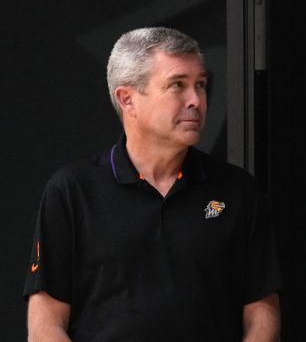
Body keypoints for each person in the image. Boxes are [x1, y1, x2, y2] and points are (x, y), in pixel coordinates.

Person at [24, 27, 280, 341]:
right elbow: (45, 325)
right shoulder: (72, 191)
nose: (196, 100)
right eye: (177, 85)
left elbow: (262, 313)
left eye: (200, 84)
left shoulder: (238, 190)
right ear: (127, 99)